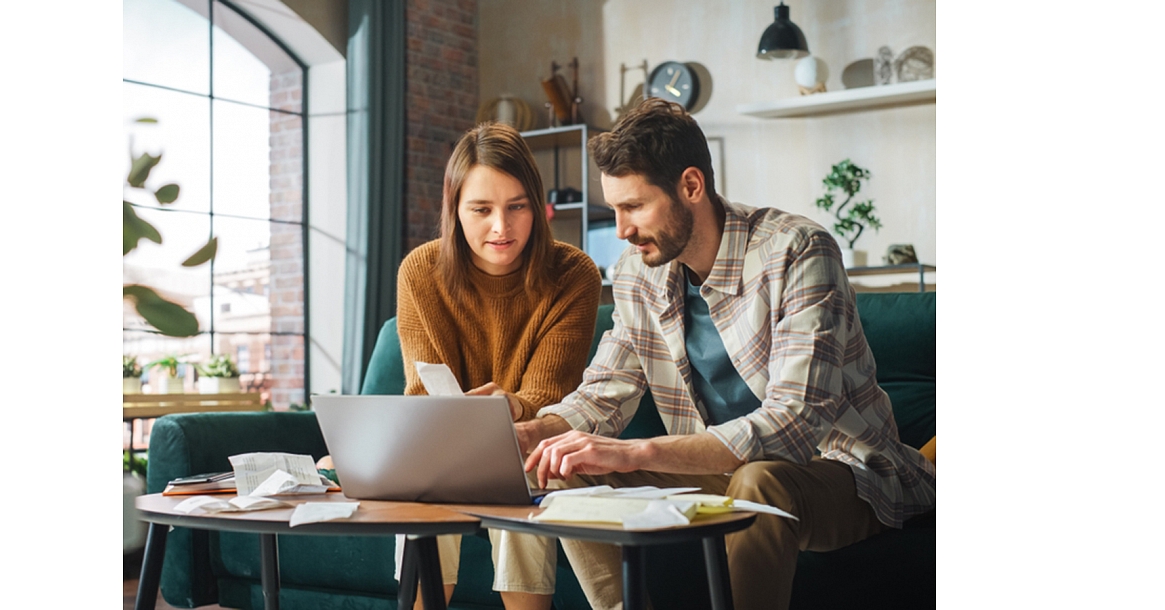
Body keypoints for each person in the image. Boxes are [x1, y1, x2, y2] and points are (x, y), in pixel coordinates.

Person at [509, 98, 937, 610]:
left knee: (759, 481)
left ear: (691, 186)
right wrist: (535, 433)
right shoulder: (635, 273)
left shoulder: (798, 250)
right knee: (562, 465)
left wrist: (639, 450)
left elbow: (795, 423)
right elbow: (604, 393)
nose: (621, 229)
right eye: (614, 209)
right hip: (716, 470)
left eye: (635, 207)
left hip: (841, 468)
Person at [389, 122, 604, 610]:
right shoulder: (420, 272)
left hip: (529, 445)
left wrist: (511, 407)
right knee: (425, 479)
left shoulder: (573, 274)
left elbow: (550, 401)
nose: (501, 228)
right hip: (441, 447)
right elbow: (423, 399)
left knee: (520, 471)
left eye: (517, 207)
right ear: (455, 210)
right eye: (481, 210)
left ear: (538, 206)